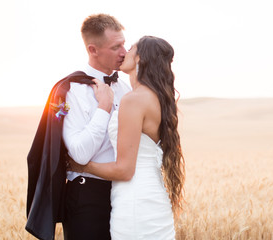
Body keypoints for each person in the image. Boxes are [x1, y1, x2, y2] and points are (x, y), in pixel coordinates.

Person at [69, 36, 185, 239]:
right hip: (152, 197)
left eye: (130, 48)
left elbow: (124, 170)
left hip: (135, 202)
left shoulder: (133, 100)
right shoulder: (157, 97)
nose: (124, 52)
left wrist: (80, 166)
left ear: (141, 58)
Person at [61, 14, 131, 239]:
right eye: (116, 47)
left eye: (124, 44)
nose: (125, 52)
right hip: (87, 197)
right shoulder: (70, 90)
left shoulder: (126, 88)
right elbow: (80, 154)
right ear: (93, 50)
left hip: (126, 195)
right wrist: (104, 107)